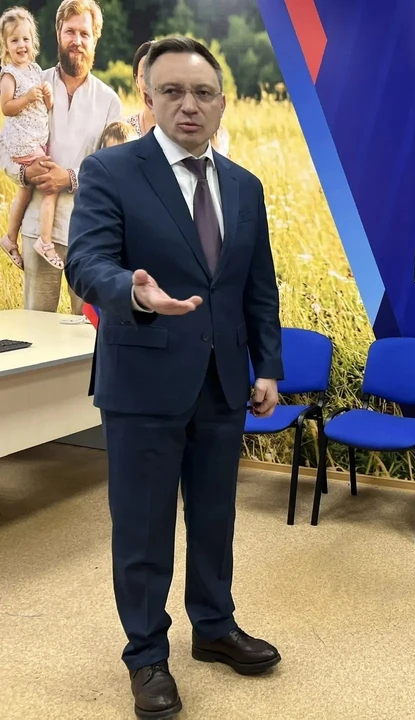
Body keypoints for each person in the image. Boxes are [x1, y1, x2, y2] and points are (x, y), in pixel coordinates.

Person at [64, 36, 283, 720]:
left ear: (222, 103)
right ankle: (146, 655)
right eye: (173, 92)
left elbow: (258, 287)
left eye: (203, 93)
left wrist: (268, 368)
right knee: (144, 527)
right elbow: (85, 261)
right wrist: (130, 290)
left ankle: (214, 627)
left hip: (222, 383)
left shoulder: (244, 186)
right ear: (148, 98)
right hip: (142, 381)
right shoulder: (110, 171)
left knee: (215, 519)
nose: (189, 105)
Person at [0, 0, 121, 314]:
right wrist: (25, 174)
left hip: (90, 236)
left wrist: (69, 178)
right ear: (58, 33)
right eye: (70, 32)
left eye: (84, 33)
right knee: (36, 330)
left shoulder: (109, 100)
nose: (76, 40)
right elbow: (7, 147)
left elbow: (115, 169)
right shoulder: (31, 83)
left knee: (88, 329)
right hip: (37, 230)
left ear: (95, 39)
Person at [0, 6, 54, 270]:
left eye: (25, 39)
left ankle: (10, 237)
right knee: (50, 185)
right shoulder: (9, 74)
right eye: (14, 40)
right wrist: (27, 98)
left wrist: (47, 96)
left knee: (25, 191)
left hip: (36, 140)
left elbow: (45, 105)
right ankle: (45, 240)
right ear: (5, 45)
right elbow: (6, 107)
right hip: (22, 142)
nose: (21, 45)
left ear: (33, 41)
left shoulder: (34, 69)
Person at [128, 38, 230, 157]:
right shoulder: (125, 130)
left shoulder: (214, 134)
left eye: (202, 92)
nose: (189, 107)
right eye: (144, 76)